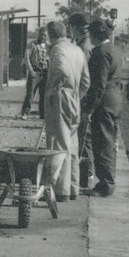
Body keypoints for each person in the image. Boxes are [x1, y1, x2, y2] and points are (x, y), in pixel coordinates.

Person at [44, 20, 90, 200]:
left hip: (60, 96)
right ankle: (73, 187)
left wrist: (53, 91)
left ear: (50, 34)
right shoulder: (77, 49)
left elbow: (61, 69)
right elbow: (86, 80)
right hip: (75, 98)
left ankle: (60, 190)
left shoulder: (58, 49)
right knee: (72, 143)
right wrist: (76, 95)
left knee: (58, 142)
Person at [82, 19, 122, 197]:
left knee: (102, 144)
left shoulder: (100, 53)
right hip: (114, 100)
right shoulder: (114, 49)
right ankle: (107, 181)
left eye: (90, 34)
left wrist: (89, 109)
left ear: (95, 34)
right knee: (109, 142)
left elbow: (98, 85)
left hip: (103, 103)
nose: (89, 37)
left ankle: (105, 185)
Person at [68, 13, 95, 187]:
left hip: (83, 97)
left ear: (75, 27)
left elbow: (85, 77)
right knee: (83, 135)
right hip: (85, 96)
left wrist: (78, 99)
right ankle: (86, 174)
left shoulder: (84, 46)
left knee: (84, 136)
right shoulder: (82, 42)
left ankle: (87, 175)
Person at [20, 27, 49, 118]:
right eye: (41, 35)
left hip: (45, 72)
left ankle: (43, 114)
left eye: (45, 35)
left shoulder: (49, 46)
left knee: (44, 94)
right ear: (38, 34)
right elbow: (26, 58)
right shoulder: (32, 44)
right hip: (35, 71)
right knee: (30, 93)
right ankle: (25, 112)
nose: (43, 37)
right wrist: (31, 71)